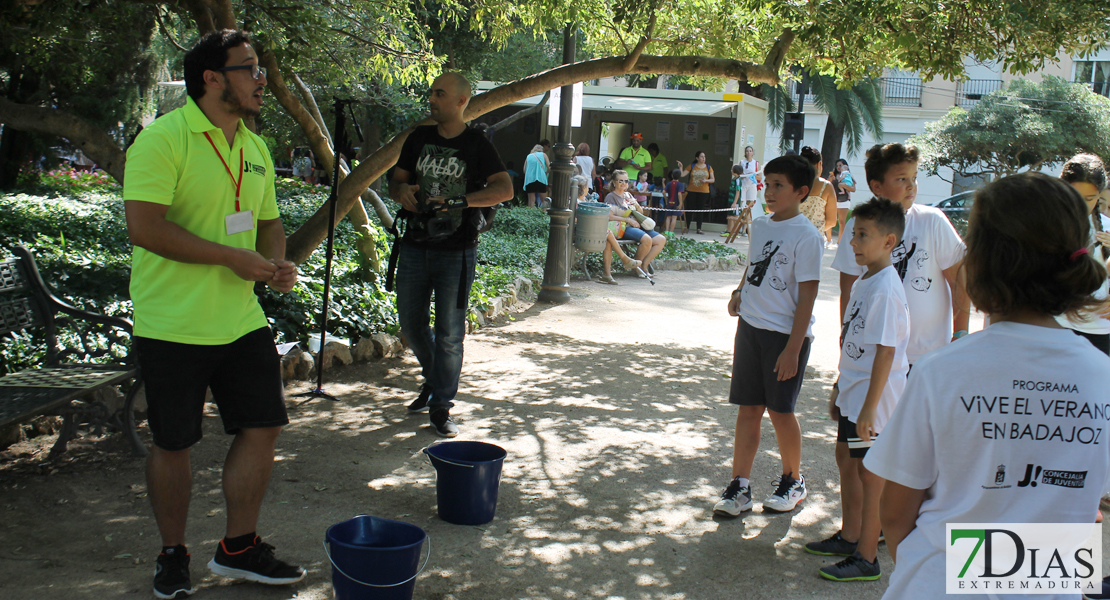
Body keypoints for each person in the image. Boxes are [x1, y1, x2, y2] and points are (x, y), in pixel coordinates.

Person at [865, 173, 1110, 600]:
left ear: (979, 261)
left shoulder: (940, 371)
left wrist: (936, 570)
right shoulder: (1102, 376)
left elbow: (897, 511)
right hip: (1049, 584)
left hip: (935, 586)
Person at [122, 29, 304, 599]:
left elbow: (269, 222)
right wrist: (232, 256)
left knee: (264, 425)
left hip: (240, 319)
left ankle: (238, 548)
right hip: (172, 323)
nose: (262, 81)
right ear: (212, 77)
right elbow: (144, 227)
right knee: (174, 442)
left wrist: (275, 263)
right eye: (250, 69)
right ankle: (173, 554)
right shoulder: (162, 140)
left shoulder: (254, 148)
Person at [389, 72, 513, 437]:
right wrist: (402, 193)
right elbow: (396, 180)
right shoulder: (419, 138)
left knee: (449, 334)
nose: (432, 99)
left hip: (456, 252)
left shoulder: (476, 143)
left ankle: (441, 406)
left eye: (439, 94)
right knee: (411, 325)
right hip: (413, 246)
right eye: (431, 93)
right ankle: (434, 379)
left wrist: (460, 201)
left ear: (461, 101)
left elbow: (504, 189)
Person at [714, 155, 823, 517]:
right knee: (748, 409)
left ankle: (793, 479)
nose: (770, 191)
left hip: (785, 337)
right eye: (767, 183)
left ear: (801, 192)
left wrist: (793, 348)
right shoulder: (760, 225)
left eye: (779, 185)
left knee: (780, 411)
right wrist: (739, 291)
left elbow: (807, 294)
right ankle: (739, 487)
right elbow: (754, 264)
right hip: (750, 329)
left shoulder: (807, 236)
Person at [808, 198, 909, 582]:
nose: (854, 242)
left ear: (889, 240)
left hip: (875, 401)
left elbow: (885, 353)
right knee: (847, 462)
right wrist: (839, 387)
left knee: (871, 476)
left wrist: (868, 408)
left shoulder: (885, 287)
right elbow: (854, 340)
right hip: (855, 392)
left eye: (863, 235)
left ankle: (867, 556)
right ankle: (851, 536)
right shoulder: (868, 279)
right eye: (853, 233)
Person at [1057, 153, 1110, 355]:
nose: (1080, 205)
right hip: (1054, 326)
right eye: (1074, 196)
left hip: (1097, 328)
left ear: (1099, 195)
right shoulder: (1047, 225)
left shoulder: (1106, 228)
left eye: (1090, 199)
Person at [572, 174, 641, 284]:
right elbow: (573, 220)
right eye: (586, 186)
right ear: (582, 188)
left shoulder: (585, 199)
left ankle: (607, 274)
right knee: (607, 233)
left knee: (608, 239)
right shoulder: (575, 202)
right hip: (582, 234)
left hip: (591, 232)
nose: (587, 189)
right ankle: (624, 259)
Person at [604, 169, 667, 276]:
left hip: (637, 225)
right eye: (620, 181)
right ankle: (636, 267)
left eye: (626, 181)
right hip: (623, 227)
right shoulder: (611, 196)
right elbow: (609, 216)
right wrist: (628, 220)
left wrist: (636, 205)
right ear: (614, 182)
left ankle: (644, 265)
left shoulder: (628, 194)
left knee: (661, 239)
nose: (624, 183)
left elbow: (641, 212)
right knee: (647, 239)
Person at [798, 146, 837, 245]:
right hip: (814, 240)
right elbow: (832, 221)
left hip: (792, 237)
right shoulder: (826, 186)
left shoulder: (792, 184)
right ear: (819, 164)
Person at [676, 151, 714, 234]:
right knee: (690, 209)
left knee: (700, 210)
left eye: (704, 156)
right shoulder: (692, 166)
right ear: (697, 158)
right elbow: (682, 174)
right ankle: (687, 227)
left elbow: (712, 179)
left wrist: (705, 180)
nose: (703, 158)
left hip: (704, 191)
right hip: (691, 190)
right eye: (701, 156)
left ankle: (699, 228)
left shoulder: (708, 167)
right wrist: (681, 167)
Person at [832, 159, 855, 239]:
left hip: (844, 200)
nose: (838, 167)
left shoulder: (848, 175)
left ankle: (840, 241)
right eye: (837, 165)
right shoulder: (833, 175)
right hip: (833, 200)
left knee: (842, 222)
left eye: (840, 165)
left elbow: (853, 189)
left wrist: (844, 185)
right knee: (830, 220)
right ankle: (828, 240)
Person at [523, 143, 548, 209]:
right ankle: (543, 215)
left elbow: (524, 169)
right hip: (541, 179)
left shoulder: (528, 156)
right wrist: (546, 173)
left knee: (531, 201)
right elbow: (549, 167)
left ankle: (531, 216)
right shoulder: (544, 155)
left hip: (530, 179)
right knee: (544, 201)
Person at [662, 168, 685, 234]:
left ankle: (666, 231)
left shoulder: (669, 183)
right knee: (674, 217)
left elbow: (664, 192)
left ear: (672, 175)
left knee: (668, 217)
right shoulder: (680, 184)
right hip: (676, 203)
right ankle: (671, 232)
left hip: (669, 202)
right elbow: (679, 193)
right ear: (680, 176)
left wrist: (666, 199)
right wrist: (680, 203)